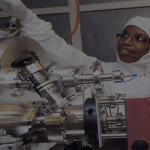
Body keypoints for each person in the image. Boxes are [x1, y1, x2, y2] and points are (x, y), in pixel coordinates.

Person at [0, 1, 150, 149]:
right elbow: (60, 51)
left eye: (139, 38)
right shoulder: (102, 70)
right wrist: (27, 18)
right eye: (124, 35)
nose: (126, 42)